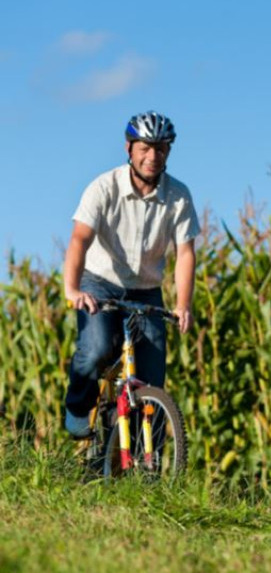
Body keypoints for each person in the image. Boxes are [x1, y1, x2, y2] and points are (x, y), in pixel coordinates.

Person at [63, 111, 199, 437]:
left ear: (168, 151)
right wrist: (72, 289)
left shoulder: (178, 196)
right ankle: (78, 407)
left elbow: (185, 253)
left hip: (146, 290)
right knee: (96, 349)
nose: (153, 156)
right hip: (100, 283)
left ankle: (147, 463)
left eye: (160, 149)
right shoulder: (104, 187)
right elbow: (80, 239)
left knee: (152, 382)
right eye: (145, 148)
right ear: (129, 149)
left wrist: (183, 305)